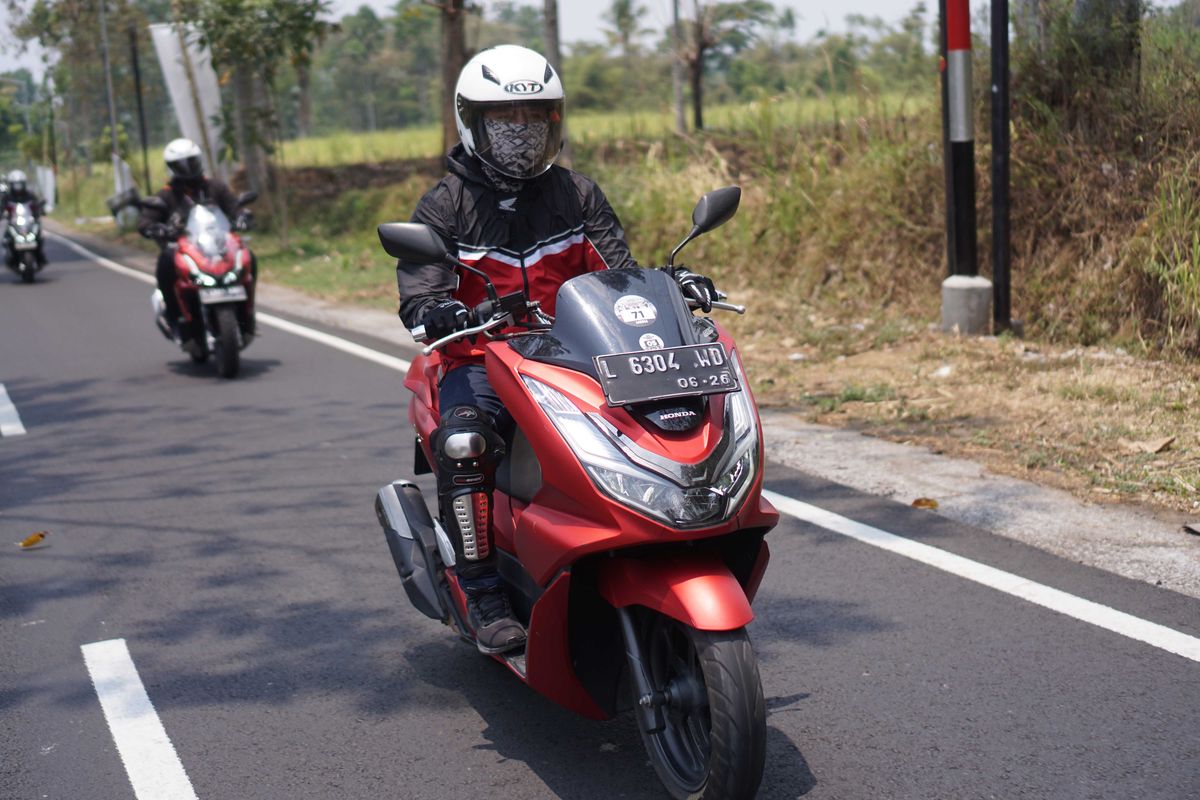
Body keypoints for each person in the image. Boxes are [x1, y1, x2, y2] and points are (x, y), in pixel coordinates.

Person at [395, 45, 719, 655]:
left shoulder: (577, 195)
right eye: (506, 119)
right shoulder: (444, 206)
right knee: (465, 445)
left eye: (536, 117)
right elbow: (421, 292)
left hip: (575, 355)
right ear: (474, 120)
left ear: (554, 121)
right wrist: (440, 309)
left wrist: (674, 284)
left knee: (664, 418)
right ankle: (483, 593)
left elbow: (619, 275)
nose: (523, 132)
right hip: (483, 359)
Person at [138, 138, 253, 338]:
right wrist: (155, 229)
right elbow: (147, 220)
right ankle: (175, 317)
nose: (188, 168)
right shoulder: (166, 195)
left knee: (248, 256)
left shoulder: (215, 187)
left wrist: (242, 216)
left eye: (191, 161)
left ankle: (248, 316)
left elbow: (234, 206)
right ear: (172, 167)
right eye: (181, 164)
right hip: (183, 249)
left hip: (217, 246)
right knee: (165, 262)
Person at [3, 170, 46, 266]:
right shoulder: (7, 197)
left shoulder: (30, 195)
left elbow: (36, 206)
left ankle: (40, 257)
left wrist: (39, 210)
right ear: (11, 184)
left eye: (20, 184)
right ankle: (10, 257)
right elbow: (2, 208)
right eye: (15, 184)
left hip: (28, 221)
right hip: (14, 222)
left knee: (39, 236)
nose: (18, 187)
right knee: (6, 239)